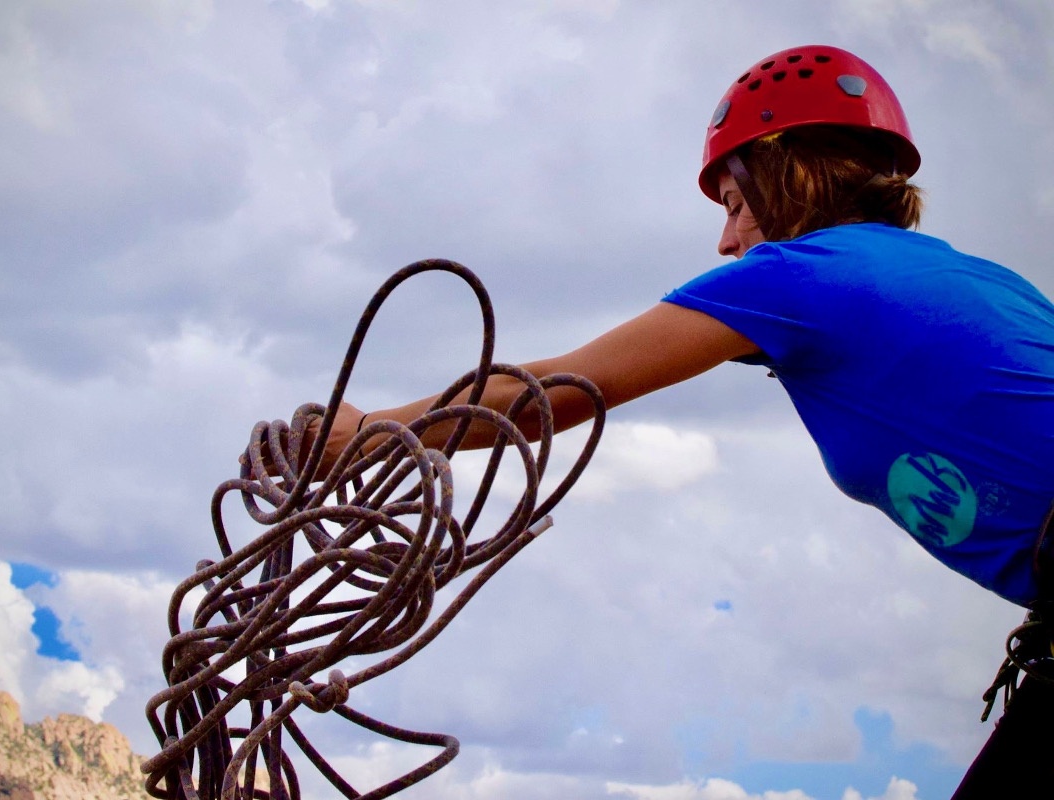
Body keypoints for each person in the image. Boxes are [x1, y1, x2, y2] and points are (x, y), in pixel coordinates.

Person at [300, 45, 1054, 795]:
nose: (725, 241)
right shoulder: (976, 277)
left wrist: (369, 432)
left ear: (788, 173)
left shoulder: (800, 277)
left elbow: (561, 389)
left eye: (733, 204)